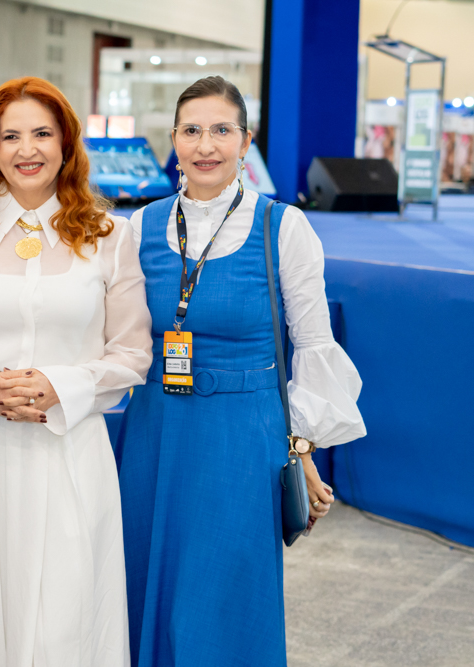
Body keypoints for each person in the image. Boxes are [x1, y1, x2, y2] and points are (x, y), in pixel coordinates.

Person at [115, 76, 366, 667]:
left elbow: (314, 347)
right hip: (154, 432)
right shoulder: (139, 227)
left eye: (222, 131)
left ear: (246, 142)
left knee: (226, 593)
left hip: (242, 439)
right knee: (146, 579)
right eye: (192, 130)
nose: (206, 145)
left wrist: (301, 450)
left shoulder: (283, 227)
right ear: (173, 140)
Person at [0, 76, 153, 667]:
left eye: (42, 134)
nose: (28, 150)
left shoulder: (110, 236)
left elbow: (132, 354)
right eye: (11, 136)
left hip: (68, 448)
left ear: (66, 144)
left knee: (67, 614)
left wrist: (59, 387)